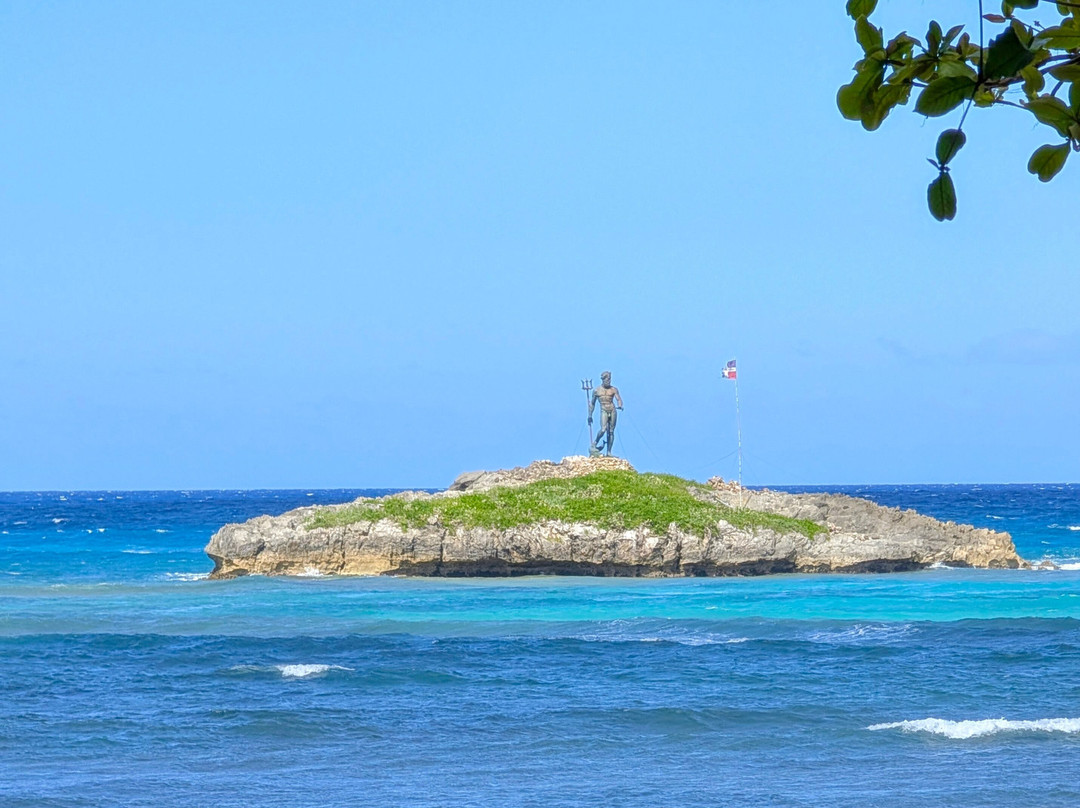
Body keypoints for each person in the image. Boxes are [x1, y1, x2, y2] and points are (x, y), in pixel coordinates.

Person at [588, 371, 623, 456]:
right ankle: (595, 443)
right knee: (603, 429)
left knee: (611, 431)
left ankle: (609, 451)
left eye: (610, 380)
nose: (609, 381)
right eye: (607, 379)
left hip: (612, 410)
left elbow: (618, 399)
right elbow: (592, 403)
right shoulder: (597, 390)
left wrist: (620, 405)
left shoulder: (613, 389)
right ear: (603, 380)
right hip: (603, 409)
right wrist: (590, 415)